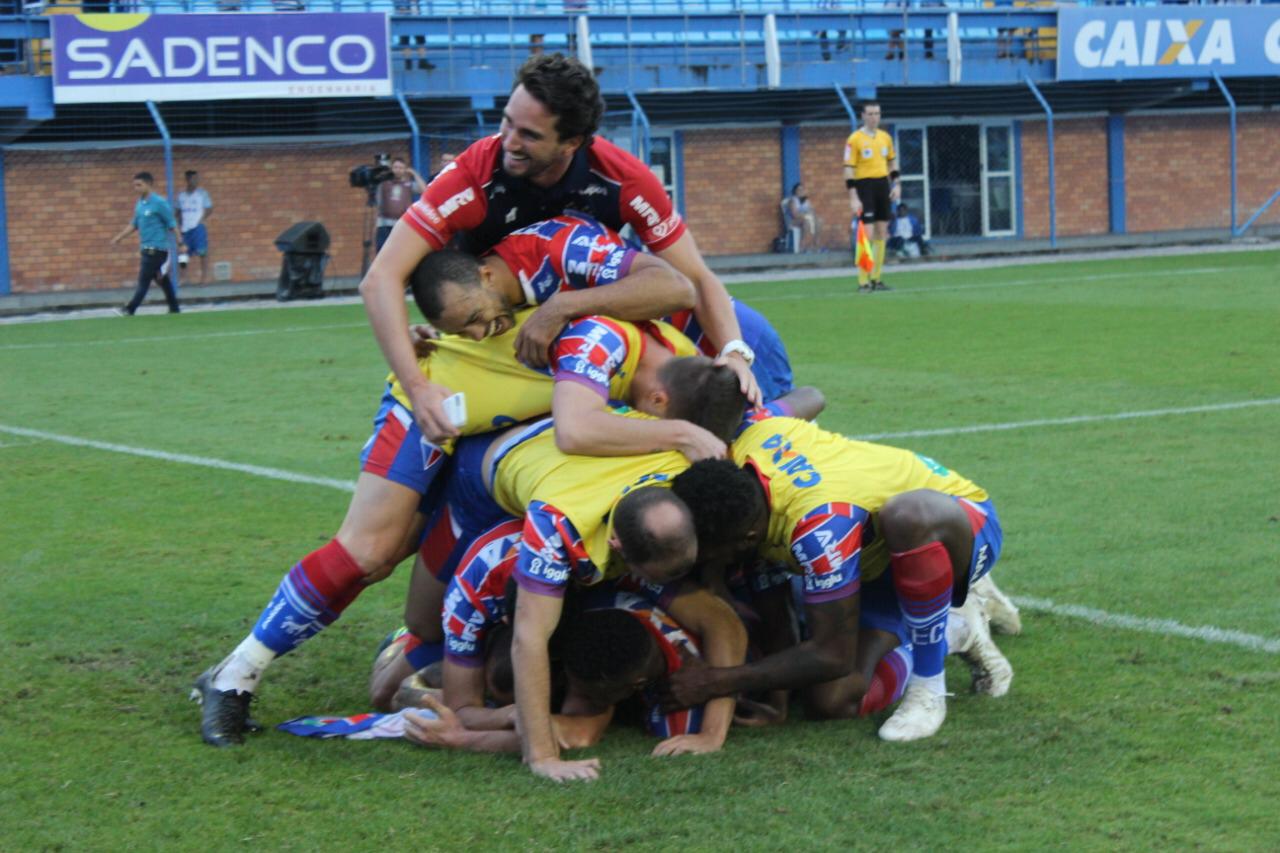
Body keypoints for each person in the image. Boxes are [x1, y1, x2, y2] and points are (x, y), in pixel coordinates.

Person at [191, 220, 701, 748]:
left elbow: (678, 286)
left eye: (476, 320)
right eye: (466, 327)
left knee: (420, 624)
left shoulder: (576, 270)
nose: (481, 332)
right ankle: (236, 674)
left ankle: (441, 659)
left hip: (498, 441)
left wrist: (561, 309)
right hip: (437, 407)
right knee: (370, 552)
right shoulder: (591, 324)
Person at [361, 53, 760, 447]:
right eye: (507, 122)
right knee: (435, 423)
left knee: (748, 330)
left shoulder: (623, 178)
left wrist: (735, 353)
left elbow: (694, 279)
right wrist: (418, 385)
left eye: (529, 135)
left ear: (572, 142)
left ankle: (762, 432)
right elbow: (381, 278)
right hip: (504, 326)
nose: (508, 142)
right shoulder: (470, 177)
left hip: (589, 316)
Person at [662, 409, 1014, 743]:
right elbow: (809, 396)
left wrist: (717, 681)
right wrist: (778, 697)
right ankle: (955, 630)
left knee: (907, 515)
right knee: (830, 701)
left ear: (746, 539)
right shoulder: (747, 455)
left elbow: (832, 655)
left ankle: (929, 687)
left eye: (712, 553)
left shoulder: (821, 530)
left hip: (958, 523)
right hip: (876, 560)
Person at [844, 102, 899, 293]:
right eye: (870, 113)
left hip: (882, 185)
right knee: (866, 234)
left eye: (877, 113)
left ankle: (876, 279)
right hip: (864, 186)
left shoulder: (885, 137)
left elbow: (892, 162)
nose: (874, 117)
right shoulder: (854, 139)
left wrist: (896, 184)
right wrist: (853, 197)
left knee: (882, 232)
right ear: (863, 116)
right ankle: (863, 281)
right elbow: (848, 169)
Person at [110, 172, 182, 315]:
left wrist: (180, 240)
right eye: (134, 185)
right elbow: (134, 224)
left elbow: (171, 222)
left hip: (157, 249)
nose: (136, 188)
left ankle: (130, 309)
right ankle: (174, 308)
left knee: (144, 280)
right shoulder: (140, 204)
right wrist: (119, 237)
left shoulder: (159, 203)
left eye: (139, 185)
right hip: (145, 248)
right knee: (162, 280)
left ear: (148, 184)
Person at [374, 157, 427, 253]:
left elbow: (424, 190)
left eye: (401, 168)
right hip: (384, 224)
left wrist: (414, 174)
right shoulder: (384, 183)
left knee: (400, 251)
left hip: (401, 224)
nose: (398, 170)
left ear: (405, 170)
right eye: (395, 167)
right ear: (392, 168)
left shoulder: (408, 184)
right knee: (382, 251)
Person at [177, 170, 213, 285]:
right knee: (182, 253)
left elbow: (209, 208)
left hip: (198, 227)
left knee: (202, 252)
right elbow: (177, 211)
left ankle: (204, 278)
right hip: (185, 228)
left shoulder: (202, 194)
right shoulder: (181, 195)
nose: (196, 181)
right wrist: (179, 224)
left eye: (197, 179)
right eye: (193, 179)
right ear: (187, 180)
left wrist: (201, 219)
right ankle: (183, 277)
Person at [785, 183, 821, 252]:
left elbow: (812, 211)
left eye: (802, 190)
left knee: (819, 221)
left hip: (805, 218)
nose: (801, 191)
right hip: (793, 221)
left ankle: (816, 245)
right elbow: (794, 215)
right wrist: (806, 215)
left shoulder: (805, 200)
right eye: (799, 190)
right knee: (806, 222)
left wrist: (811, 214)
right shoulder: (793, 200)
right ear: (795, 191)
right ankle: (802, 246)